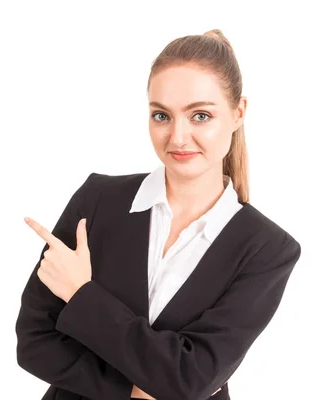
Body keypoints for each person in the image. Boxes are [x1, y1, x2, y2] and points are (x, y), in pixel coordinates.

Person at [15, 29, 302, 400]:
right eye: (161, 115)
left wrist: (81, 294)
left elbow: (189, 379)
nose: (178, 137)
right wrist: (134, 390)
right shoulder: (98, 200)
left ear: (238, 112)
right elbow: (34, 342)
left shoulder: (267, 249)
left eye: (200, 115)